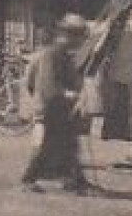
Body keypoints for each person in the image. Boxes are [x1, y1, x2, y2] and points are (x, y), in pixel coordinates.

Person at [21, 14, 91, 193]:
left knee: (68, 146)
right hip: (50, 108)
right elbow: (47, 85)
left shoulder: (64, 55)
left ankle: (73, 180)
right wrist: (68, 94)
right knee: (45, 145)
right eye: (78, 36)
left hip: (60, 108)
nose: (80, 41)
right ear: (68, 35)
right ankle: (28, 180)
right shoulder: (52, 54)